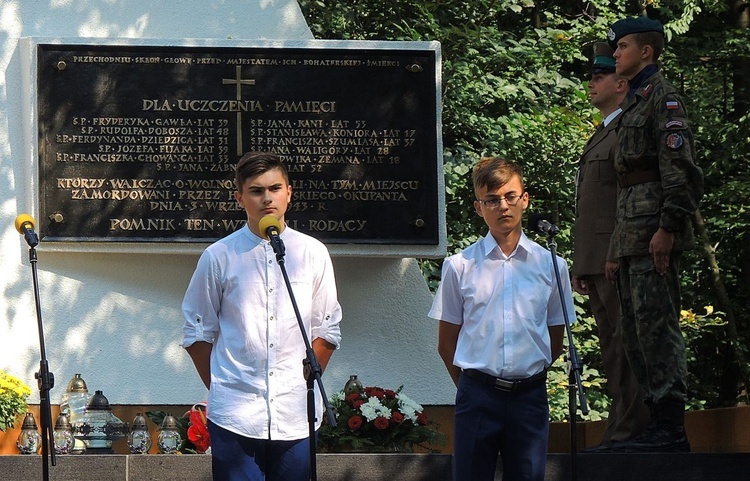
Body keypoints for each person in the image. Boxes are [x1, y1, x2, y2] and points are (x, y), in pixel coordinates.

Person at [181, 151, 343, 480]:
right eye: (256, 190)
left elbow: (327, 328)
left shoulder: (312, 253)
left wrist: (303, 382)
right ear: (240, 197)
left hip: (296, 413)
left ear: (289, 192)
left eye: (275, 188)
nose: (266, 198)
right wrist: (223, 387)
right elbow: (196, 332)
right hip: (236, 416)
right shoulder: (219, 256)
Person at [428, 157, 573, 481]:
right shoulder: (459, 266)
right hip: (478, 395)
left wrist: (524, 373)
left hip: (529, 398)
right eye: (492, 200)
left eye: (510, 196)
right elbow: (446, 342)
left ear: (525, 199)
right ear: (479, 208)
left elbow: (555, 339)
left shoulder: (551, 265)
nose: (502, 206)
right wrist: (474, 386)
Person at [605, 17, 704, 452]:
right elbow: (625, 185)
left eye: (623, 46)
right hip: (630, 237)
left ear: (647, 51)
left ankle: (671, 427)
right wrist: (614, 248)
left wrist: (668, 228)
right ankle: (653, 423)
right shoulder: (632, 104)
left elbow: (679, 173)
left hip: (653, 235)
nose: (616, 54)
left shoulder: (663, 100)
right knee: (634, 330)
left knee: (657, 328)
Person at [573, 41, 650, 453]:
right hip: (596, 260)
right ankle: (620, 430)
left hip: (615, 258)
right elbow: (591, 206)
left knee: (626, 347)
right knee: (611, 349)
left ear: (622, 84)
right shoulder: (603, 133)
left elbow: (628, 201)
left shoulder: (627, 130)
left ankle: (631, 432)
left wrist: (615, 253)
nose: (592, 82)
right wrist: (582, 261)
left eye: (599, 76)